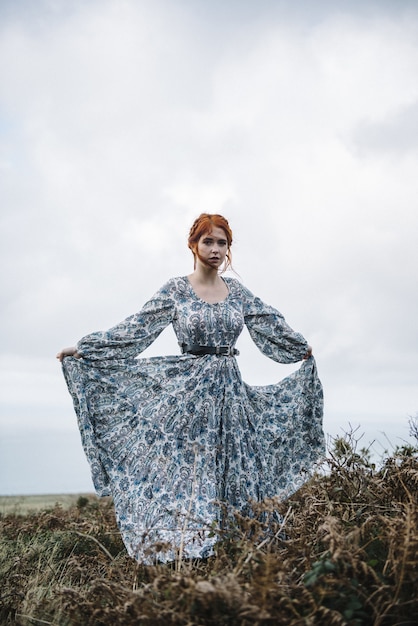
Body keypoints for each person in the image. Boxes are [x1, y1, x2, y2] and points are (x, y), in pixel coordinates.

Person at [57, 213, 324, 563]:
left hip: (230, 392)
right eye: (208, 241)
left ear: (229, 249)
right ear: (193, 245)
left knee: (238, 468)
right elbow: (137, 329)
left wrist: (298, 348)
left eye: (222, 243)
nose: (215, 249)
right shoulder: (176, 290)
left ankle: (248, 549)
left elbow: (269, 322)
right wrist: (86, 349)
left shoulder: (238, 293)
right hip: (189, 394)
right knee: (188, 470)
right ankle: (189, 547)